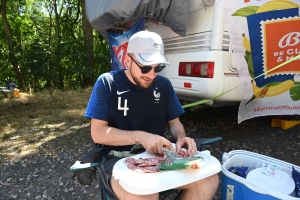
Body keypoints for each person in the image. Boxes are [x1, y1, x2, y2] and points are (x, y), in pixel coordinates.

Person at [84, 30, 219, 200]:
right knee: (146, 194)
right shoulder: (107, 83)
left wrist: (181, 137)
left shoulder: (164, 85)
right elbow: (98, 133)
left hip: (159, 157)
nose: (151, 74)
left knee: (209, 180)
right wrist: (141, 137)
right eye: (145, 67)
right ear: (127, 60)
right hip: (117, 160)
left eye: (158, 67)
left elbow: (175, 122)